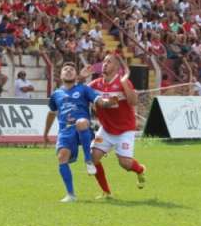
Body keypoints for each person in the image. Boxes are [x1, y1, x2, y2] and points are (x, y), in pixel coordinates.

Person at [88, 54, 146, 199]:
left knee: (125, 164)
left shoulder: (122, 82)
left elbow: (133, 102)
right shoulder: (96, 84)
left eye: (109, 61)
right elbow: (80, 92)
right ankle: (106, 192)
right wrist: (82, 78)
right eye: (104, 61)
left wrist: (125, 81)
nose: (105, 64)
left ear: (117, 67)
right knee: (93, 158)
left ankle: (140, 170)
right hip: (106, 130)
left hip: (124, 130)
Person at [42, 63, 101, 203]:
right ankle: (71, 195)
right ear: (60, 75)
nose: (68, 71)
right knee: (62, 158)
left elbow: (97, 102)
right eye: (65, 69)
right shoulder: (56, 94)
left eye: (71, 70)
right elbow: (51, 113)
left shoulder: (84, 89)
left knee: (81, 122)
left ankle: (88, 159)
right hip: (65, 131)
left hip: (83, 126)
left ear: (76, 75)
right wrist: (45, 134)